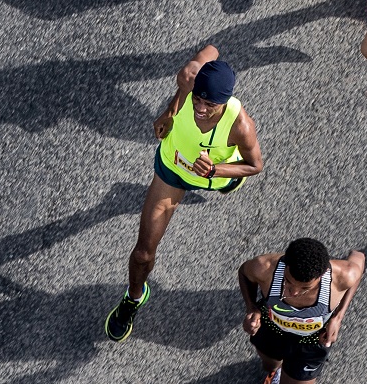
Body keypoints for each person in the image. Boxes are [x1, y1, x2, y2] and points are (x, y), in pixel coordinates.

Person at [104, 45, 265, 342]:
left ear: (226, 100)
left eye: (210, 104)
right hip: (173, 170)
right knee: (143, 252)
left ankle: (222, 183)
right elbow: (213, 49)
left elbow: (254, 165)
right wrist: (169, 112)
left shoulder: (241, 126)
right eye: (198, 99)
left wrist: (217, 171)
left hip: (213, 177)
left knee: (230, 184)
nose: (201, 107)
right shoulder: (190, 78)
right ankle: (134, 297)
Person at [237, 238, 364, 384]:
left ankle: (284, 373)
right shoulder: (266, 267)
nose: (293, 292)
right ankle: (274, 372)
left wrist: (338, 316)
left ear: (321, 276)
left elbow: (358, 268)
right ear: (284, 265)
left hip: (310, 346)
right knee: (269, 364)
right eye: (288, 281)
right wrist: (251, 308)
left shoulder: (342, 275)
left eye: (304, 288)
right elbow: (244, 273)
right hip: (271, 331)